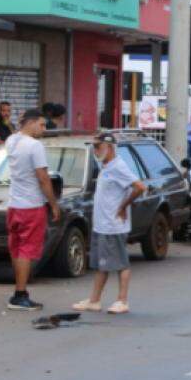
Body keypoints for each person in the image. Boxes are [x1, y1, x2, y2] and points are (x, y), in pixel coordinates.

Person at [74, 133, 146, 315]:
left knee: (121, 263)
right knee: (101, 264)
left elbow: (140, 187)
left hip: (113, 225)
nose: (95, 150)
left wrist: (123, 206)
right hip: (102, 224)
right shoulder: (105, 166)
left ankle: (122, 300)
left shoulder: (119, 167)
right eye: (94, 147)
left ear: (110, 148)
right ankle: (94, 300)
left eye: (98, 146)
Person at [5, 108, 61, 310]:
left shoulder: (11, 141)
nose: (44, 129)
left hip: (14, 204)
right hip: (31, 205)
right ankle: (20, 294)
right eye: (41, 124)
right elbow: (43, 178)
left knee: (17, 248)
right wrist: (53, 204)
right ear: (30, 122)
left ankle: (19, 290)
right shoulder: (34, 146)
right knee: (26, 250)